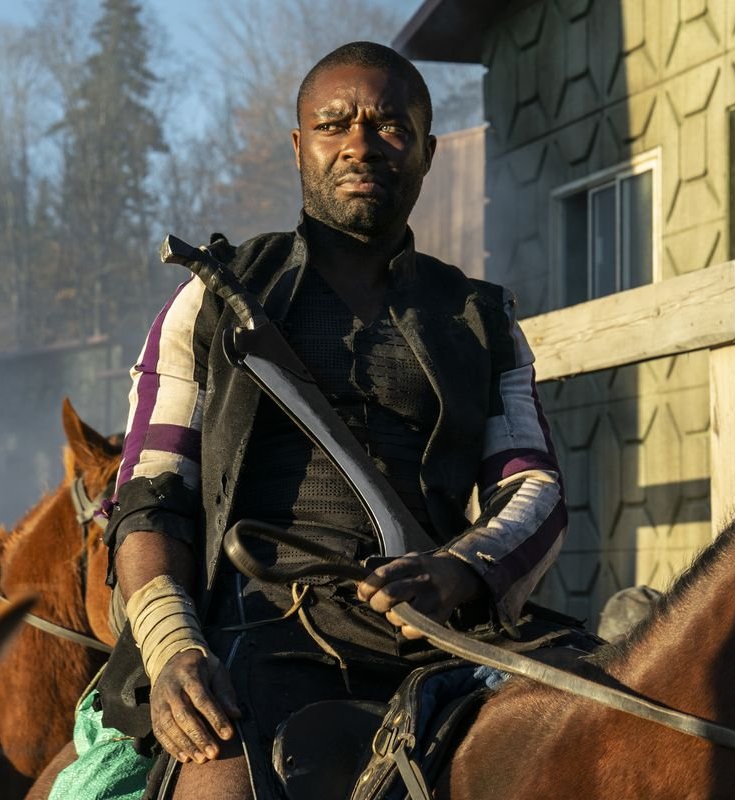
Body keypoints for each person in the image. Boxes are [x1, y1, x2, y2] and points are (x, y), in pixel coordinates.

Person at [54, 42, 568, 800]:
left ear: (428, 150)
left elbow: (534, 487)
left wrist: (458, 571)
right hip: (250, 639)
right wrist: (171, 652)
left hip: (437, 633)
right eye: (334, 125)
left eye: (390, 126)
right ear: (300, 147)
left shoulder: (484, 321)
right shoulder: (212, 302)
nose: (360, 144)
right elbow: (150, 494)